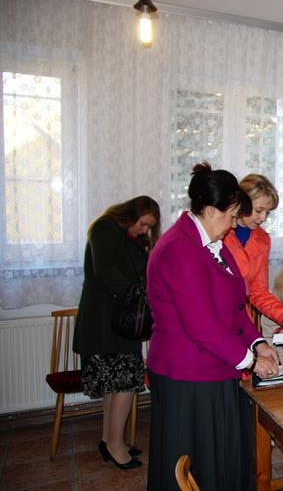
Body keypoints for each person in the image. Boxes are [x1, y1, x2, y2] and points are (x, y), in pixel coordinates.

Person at [146, 162, 280, 491]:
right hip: (187, 374)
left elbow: (236, 307)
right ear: (210, 211)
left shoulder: (213, 243)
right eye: (232, 216)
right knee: (197, 461)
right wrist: (251, 361)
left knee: (223, 457)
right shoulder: (179, 248)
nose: (234, 224)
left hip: (216, 365)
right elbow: (202, 325)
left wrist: (258, 343)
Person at [73, 196, 160, 469]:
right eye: (143, 224)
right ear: (131, 214)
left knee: (117, 385)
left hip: (120, 321)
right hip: (104, 320)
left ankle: (109, 440)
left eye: (149, 227)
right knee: (124, 384)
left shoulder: (133, 240)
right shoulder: (105, 228)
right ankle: (115, 445)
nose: (145, 230)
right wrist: (138, 293)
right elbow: (105, 270)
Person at [223, 173, 283, 329]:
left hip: (239, 318)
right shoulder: (219, 231)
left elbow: (259, 291)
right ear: (241, 203)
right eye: (258, 210)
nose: (263, 218)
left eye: (267, 212)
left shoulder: (263, 240)